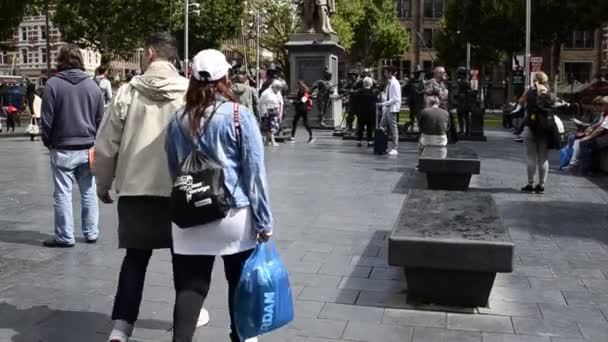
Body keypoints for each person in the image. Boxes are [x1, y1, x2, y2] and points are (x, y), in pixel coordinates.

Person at [93, 33, 206, 342]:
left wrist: (103, 183)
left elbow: (106, 145)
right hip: (180, 190)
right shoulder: (189, 91)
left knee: (135, 259)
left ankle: (121, 328)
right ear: (173, 58)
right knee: (184, 259)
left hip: (135, 189)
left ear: (149, 54)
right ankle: (191, 315)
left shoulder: (127, 91)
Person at [165, 49, 273, 342]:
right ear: (225, 77)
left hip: (190, 215)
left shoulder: (177, 119)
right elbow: (254, 174)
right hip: (233, 215)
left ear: (191, 79)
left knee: (190, 288)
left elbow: (174, 170)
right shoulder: (239, 116)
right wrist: (264, 222)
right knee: (238, 284)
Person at [40, 44, 104, 247]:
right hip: (88, 147)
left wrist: (48, 141)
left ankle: (65, 237)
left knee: (62, 193)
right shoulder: (93, 85)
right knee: (89, 191)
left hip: (62, 148)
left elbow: (46, 119)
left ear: (61, 61)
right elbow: (100, 118)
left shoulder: (52, 85)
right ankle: (91, 233)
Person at [519, 72, 557, 194]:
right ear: (546, 80)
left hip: (531, 126)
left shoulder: (530, 91)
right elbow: (553, 104)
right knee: (543, 158)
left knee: (530, 157)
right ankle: (541, 185)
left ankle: (531, 184)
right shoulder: (549, 93)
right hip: (545, 129)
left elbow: (520, 102)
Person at [378, 65, 401, 155]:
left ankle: (395, 148)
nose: (384, 73)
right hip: (388, 108)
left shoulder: (395, 83)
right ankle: (383, 144)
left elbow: (395, 98)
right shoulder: (390, 83)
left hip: (392, 108)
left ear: (390, 73)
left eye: (386, 72)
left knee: (393, 128)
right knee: (381, 126)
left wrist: (383, 104)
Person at [259, 80, 284, 147]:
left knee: (272, 126)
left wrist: (280, 112)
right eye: (277, 88)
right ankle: (273, 141)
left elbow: (280, 102)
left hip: (275, 110)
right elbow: (261, 102)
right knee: (270, 127)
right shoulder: (266, 93)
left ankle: (267, 141)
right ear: (273, 87)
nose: (278, 90)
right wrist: (264, 112)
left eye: (279, 88)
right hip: (267, 111)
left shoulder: (278, 93)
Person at [356, 77, 376, 147]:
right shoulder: (373, 92)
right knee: (369, 128)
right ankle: (369, 141)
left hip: (361, 112)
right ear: (371, 83)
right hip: (370, 112)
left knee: (360, 127)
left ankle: (359, 141)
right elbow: (374, 102)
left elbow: (357, 102)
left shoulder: (359, 91)